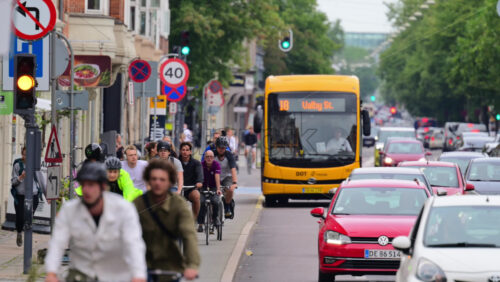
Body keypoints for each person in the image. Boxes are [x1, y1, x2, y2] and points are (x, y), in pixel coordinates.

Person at [45, 162, 146, 282]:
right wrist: (51, 272)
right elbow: (57, 243)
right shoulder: (69, 210)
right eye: (83, 185)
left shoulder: (123, 209)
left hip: (116, 275)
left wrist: (138, 275)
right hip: (82, 274)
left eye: (91, 185)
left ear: (103, 187)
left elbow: (134, 244)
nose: (86, 190)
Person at [134, 159, 200, 281]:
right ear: (148, 180)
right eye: (154, 179)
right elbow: (127, 236)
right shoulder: (138, 204)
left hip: (170, 266)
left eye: (162, 179)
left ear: (170, 182)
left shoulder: (179, 205)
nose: (157, 183)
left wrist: (192, 265)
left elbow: (189, 235)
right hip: (142, 265)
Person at [11, 147, 45, 247]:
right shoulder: (17, 164)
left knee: (29, 218)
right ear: (22, 154)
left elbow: (41, 180)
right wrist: (21, 177)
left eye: (28, 154)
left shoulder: (35, 165)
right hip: (20, 196)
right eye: (24, 154)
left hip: (33, 196)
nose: (26, 156)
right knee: (20, 218)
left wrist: (47, 195)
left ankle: (28, 239)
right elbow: (13, 182)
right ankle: (19, 232)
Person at [75, 157, 143, 202]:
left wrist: (125, 207)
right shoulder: (100, 174)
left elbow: (129, 192)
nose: (112, 175)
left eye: (115, 172)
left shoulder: (124, 175)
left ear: (119, 172)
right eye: (110, 171)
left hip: (122, 200)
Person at [213, 137, 238, 218]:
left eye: (223, 148)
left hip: (227, 177)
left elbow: (233, 169)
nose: (221, 149)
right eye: (219, 147)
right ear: (216, 147)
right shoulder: (212, 155)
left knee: (230, 190)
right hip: (215, 177)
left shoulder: (229, 155)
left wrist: (234, 183)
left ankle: (227, 207)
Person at [198, 150, 222, 233]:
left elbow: (217, 177)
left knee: (215, 201)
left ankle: (215, 218)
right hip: (203, 187)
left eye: (211, 157)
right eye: (207, 157)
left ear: (213, 157)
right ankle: (200, 223)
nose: (209, 158)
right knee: (201, 202)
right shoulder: (201, 165)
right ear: (204, 158)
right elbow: (199, 177)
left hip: (214, 187)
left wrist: (218, 189)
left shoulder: (216, 165)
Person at [179, 142, 203, 219]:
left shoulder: (196, 163)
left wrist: (199, 182)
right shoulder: (176, 162)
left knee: (196, 196)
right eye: (183, 150)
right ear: (180, 151)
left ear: (190, 152)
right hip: (178, 189)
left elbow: (200, 174)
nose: (185, 152)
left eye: (187, 150)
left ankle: (194, 219)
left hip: (190, 189)